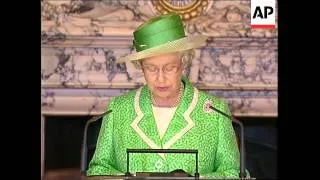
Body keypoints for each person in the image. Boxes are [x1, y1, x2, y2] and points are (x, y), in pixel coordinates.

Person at [87, 13, 245, 178]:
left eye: (170, 68)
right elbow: (99, 170)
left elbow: (234, 173)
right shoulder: (118, 109)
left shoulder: (214, 111)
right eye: (151, 68)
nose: (160, 78)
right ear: (141, 67)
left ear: (183, 62)